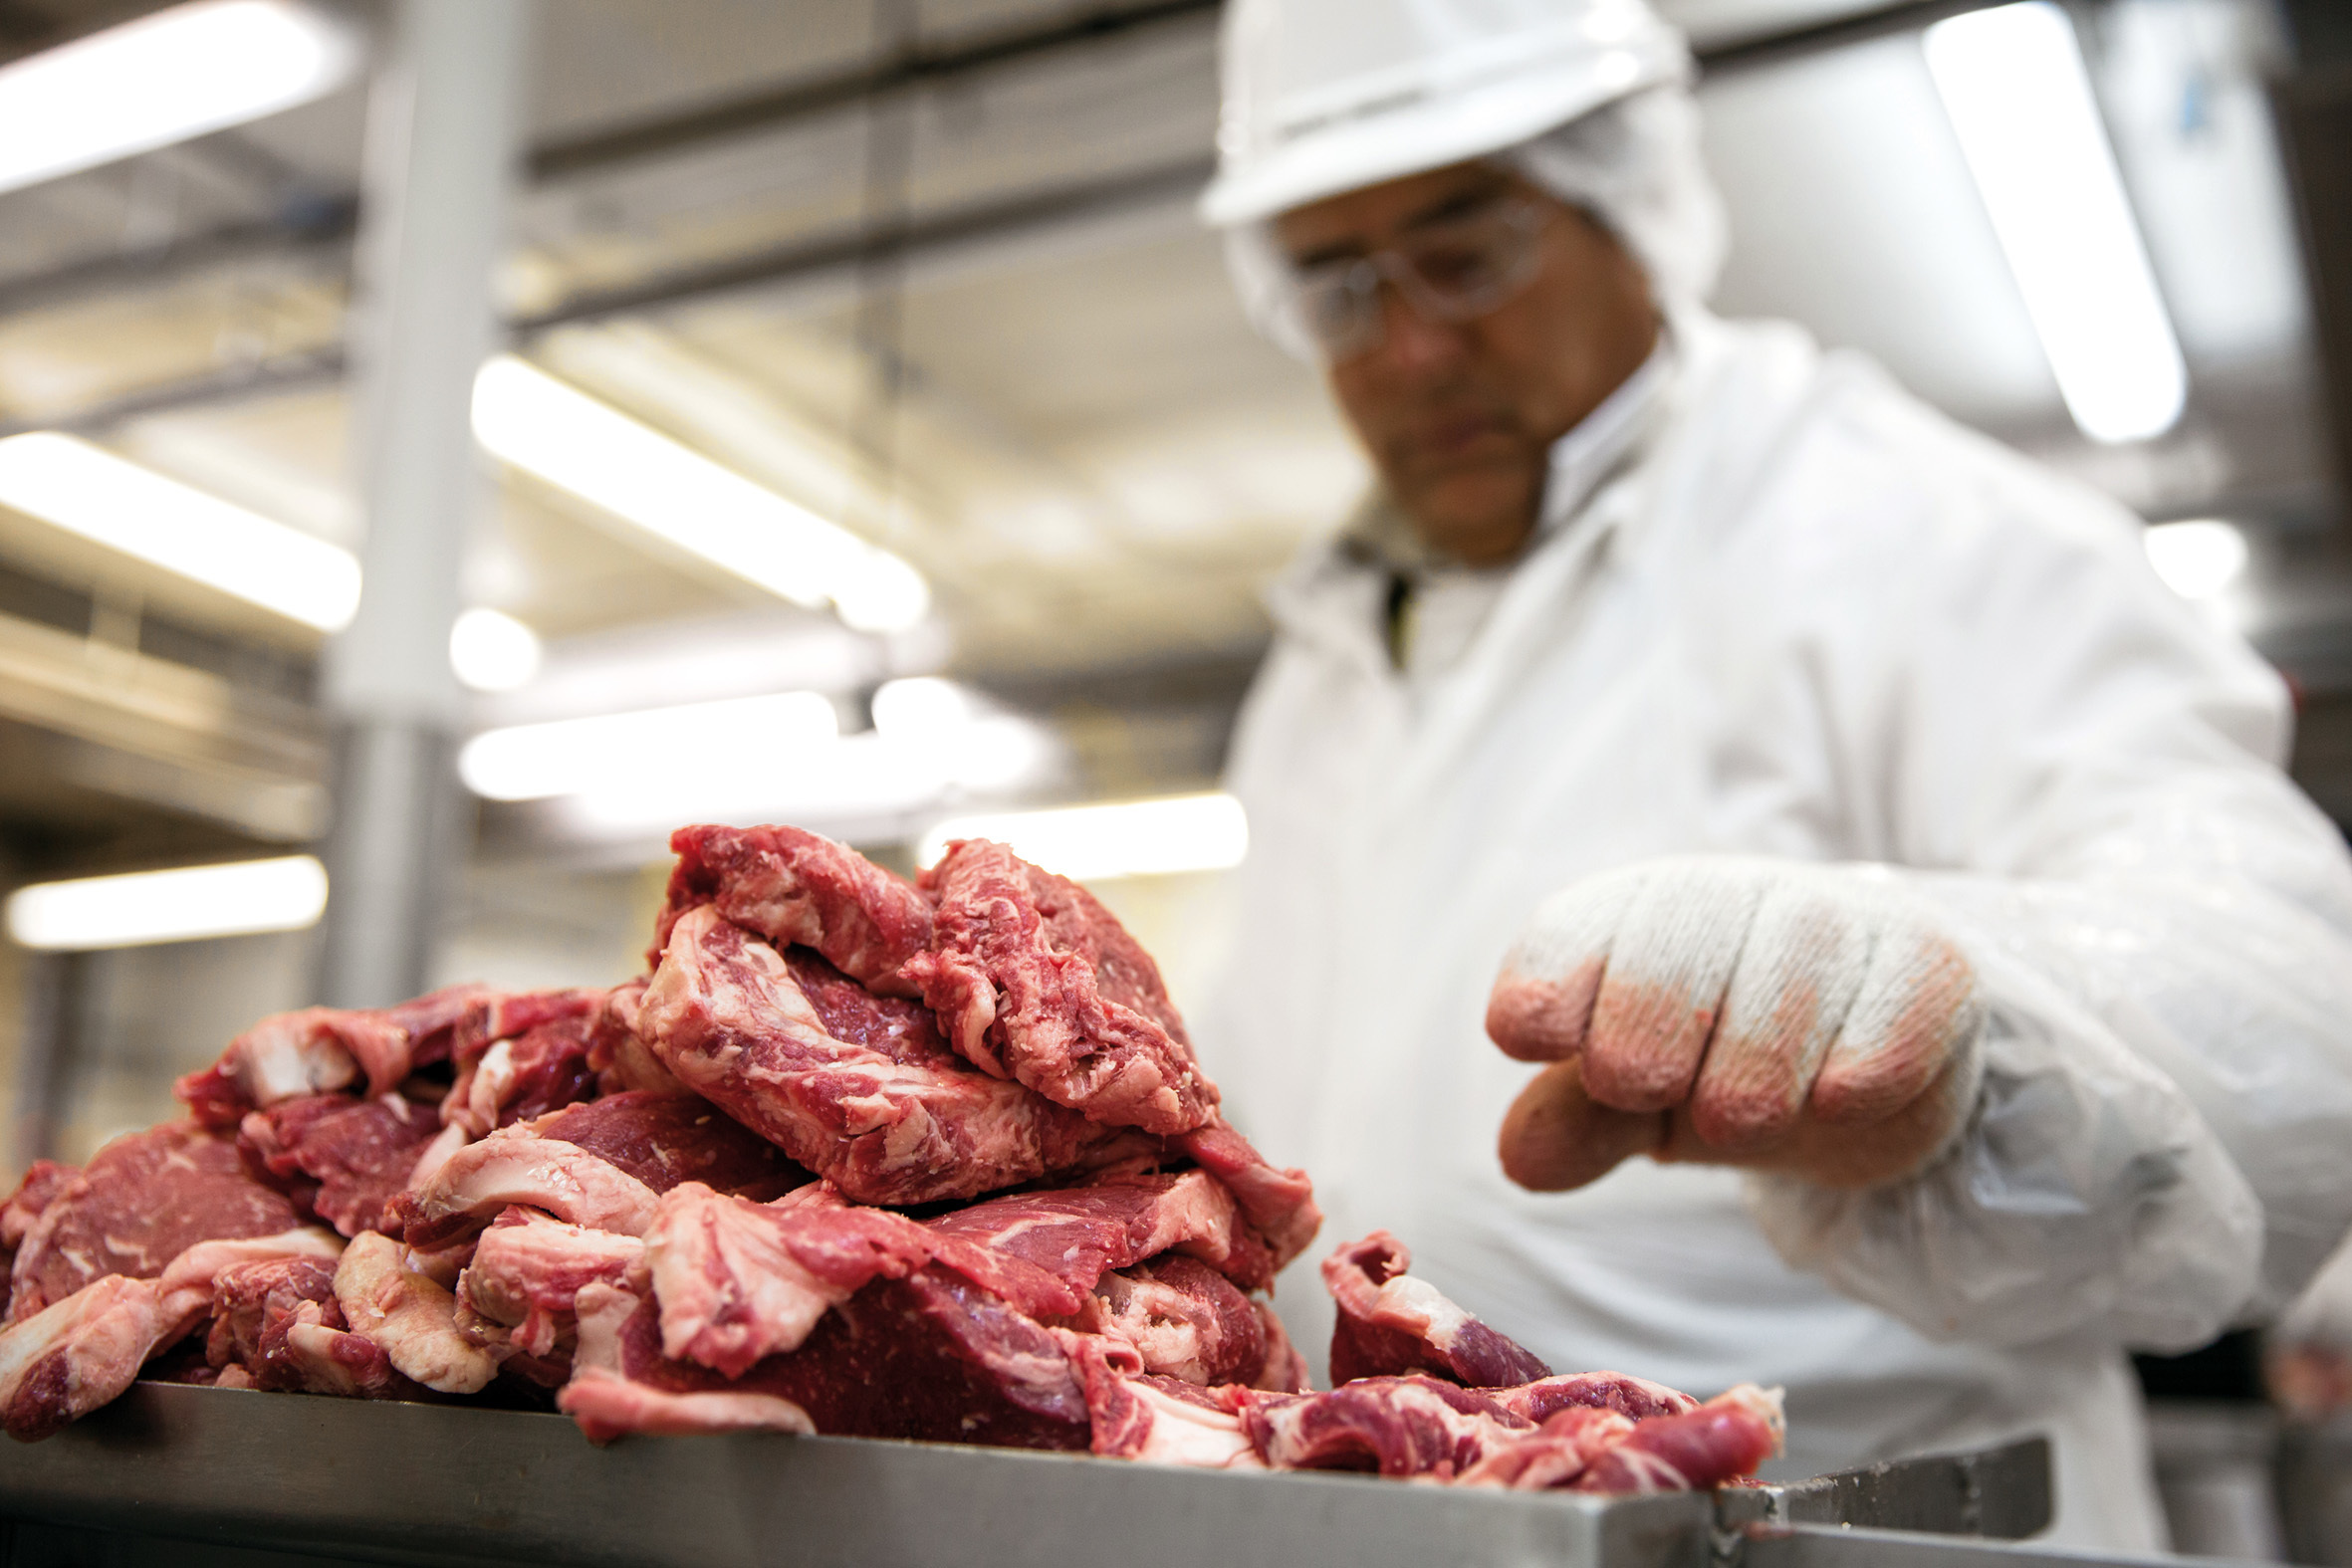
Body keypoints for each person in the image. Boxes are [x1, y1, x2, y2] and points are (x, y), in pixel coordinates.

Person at [1186, 0, 2352, 1550]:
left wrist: (1975, 1041)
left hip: (1872, 1535)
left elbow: (2293, 1020)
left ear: (1626, 206)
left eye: (1466, 254)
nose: (1408, 348)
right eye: (1336, 288)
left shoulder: (1910, 535)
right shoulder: (1317, 671)